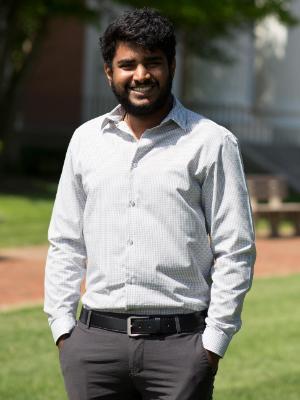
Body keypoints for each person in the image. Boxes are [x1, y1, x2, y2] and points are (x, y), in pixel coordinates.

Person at [44, 7, 256, 400]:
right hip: (93, 349)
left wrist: (212, 345)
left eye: (152, 62)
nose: (141, 75)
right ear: (109, 72)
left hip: (181, 348)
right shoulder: (85, 142)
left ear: (171, 65)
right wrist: (63, 329)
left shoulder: (212, 142)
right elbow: (65, 242)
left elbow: (236, 249)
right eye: (127, 64)